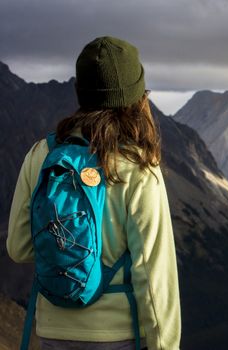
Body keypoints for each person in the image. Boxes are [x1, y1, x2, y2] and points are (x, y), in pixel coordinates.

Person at [6, 36, 182, 350]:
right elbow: (154, 275)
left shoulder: (41, 154)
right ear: (137, 96)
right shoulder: (137, 166)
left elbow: (18, 248)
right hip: (115, 336)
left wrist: (64, 249)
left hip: (52, 333)